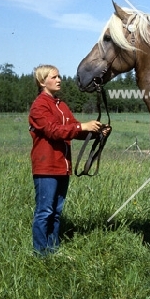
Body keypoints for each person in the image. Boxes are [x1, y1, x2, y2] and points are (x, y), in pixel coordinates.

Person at [28, 64, 109, 256]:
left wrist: (96, 132)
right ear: (42, 82)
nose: (59, 80)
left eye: (59, 77)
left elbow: (73, 130)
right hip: (46, 167)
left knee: (56, 212)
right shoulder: (39, 106)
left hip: (62, 167)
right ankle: (40, 254)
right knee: (45, 211)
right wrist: (83, 126)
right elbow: (53, 131)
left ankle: (53, 250)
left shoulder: (61, 105)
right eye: (54, 77)